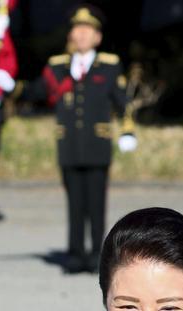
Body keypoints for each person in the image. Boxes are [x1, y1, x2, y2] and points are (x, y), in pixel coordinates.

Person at [27, 5, 137, 274]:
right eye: (78, 29)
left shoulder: (109, 66)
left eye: (88, 30)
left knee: (96, 202)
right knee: (74, 201)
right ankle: (75, 253)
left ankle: (97, 254)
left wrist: (127, 130)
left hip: (97, 144)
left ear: (98, 37)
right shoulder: (59, 66)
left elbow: (122, 103)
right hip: (69, 144)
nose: (82, 34)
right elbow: (37, 92)